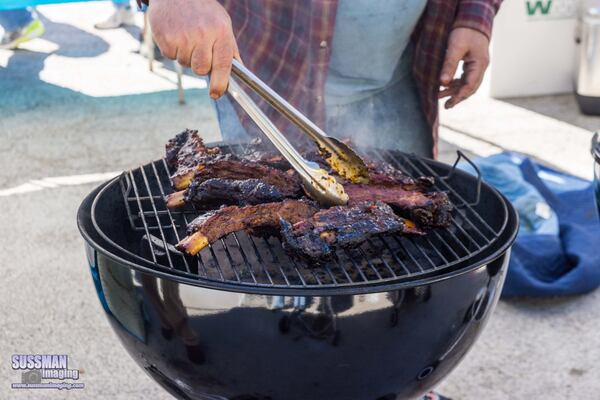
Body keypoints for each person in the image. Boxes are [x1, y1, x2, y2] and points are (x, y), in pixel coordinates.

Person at [142, 0, 501, 160]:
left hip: (400, 77)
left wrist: (475, 15)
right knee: (262, 252)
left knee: (412, 234)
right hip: (265, 73)